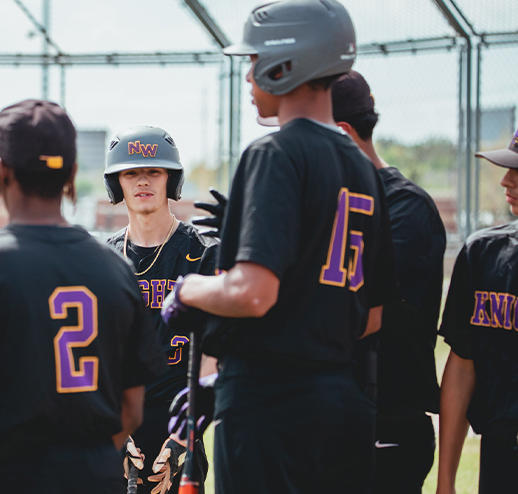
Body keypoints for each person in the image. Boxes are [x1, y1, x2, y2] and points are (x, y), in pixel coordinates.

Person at [161, 0, 395, 492]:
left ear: (284, 64)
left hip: (271, 405)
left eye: (252, 62)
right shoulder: (363, 169)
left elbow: (253, 292)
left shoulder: (273, 151)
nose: (248, 77)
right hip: (343, 402)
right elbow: (371, 317)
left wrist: (189, 291)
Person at [0, 99, 164, 494]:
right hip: (97, 477)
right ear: (70, 173)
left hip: (7, 476)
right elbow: (132, 410)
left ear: (1, 170)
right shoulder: (116, 269)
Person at [331, 70, 447, 494]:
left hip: (386, 425)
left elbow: (362, 312)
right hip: (333, 418)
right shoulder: (326, 203)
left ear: (342, 133)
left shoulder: (405, 207)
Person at [103, 125, 218, 493]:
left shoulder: (202, 252)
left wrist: (188, 432)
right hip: (116, 421)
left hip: (181, 417)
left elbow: (214, 352)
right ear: (116, 183)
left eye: (153, 171)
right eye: (130, 172)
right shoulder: (102, 260)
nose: (142, 181)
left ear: (171, 179)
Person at [436, 127, 518, 494]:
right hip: (500, 450)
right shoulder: (484, 253)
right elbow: (462, 364)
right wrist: (445, 481)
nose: (506, 180)